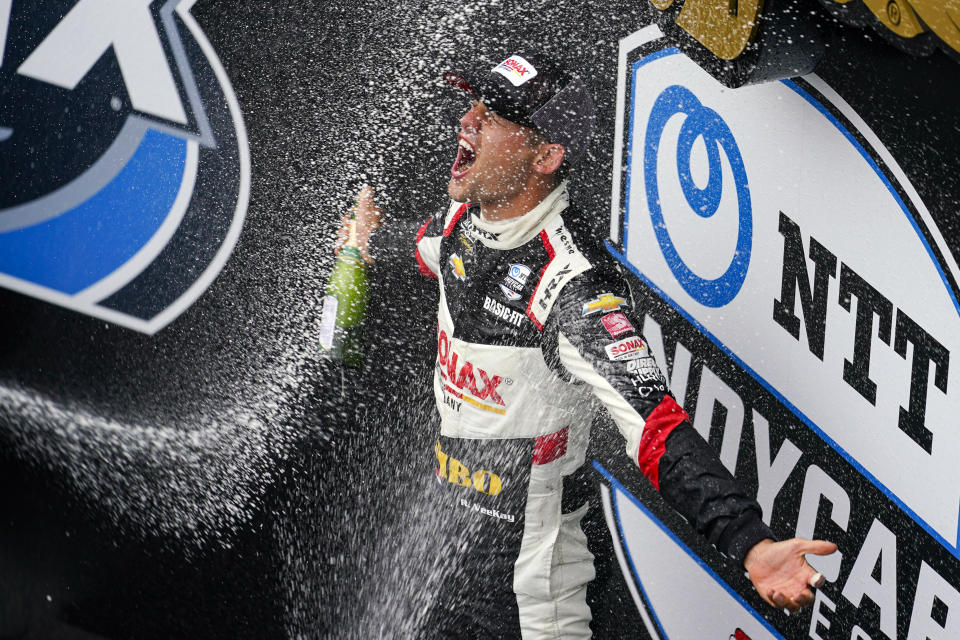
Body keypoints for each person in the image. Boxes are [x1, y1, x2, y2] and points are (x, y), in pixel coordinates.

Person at [337, 50, 835, 639]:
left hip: (534, 598)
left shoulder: (569, 288)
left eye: (493, 116)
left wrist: (748, 542)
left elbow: (655, 427)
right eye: (472, 104)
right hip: (450, 563)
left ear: (546, 157)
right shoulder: (461, 223)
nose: (466, 122)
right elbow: (433, 253)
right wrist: (368, 243)